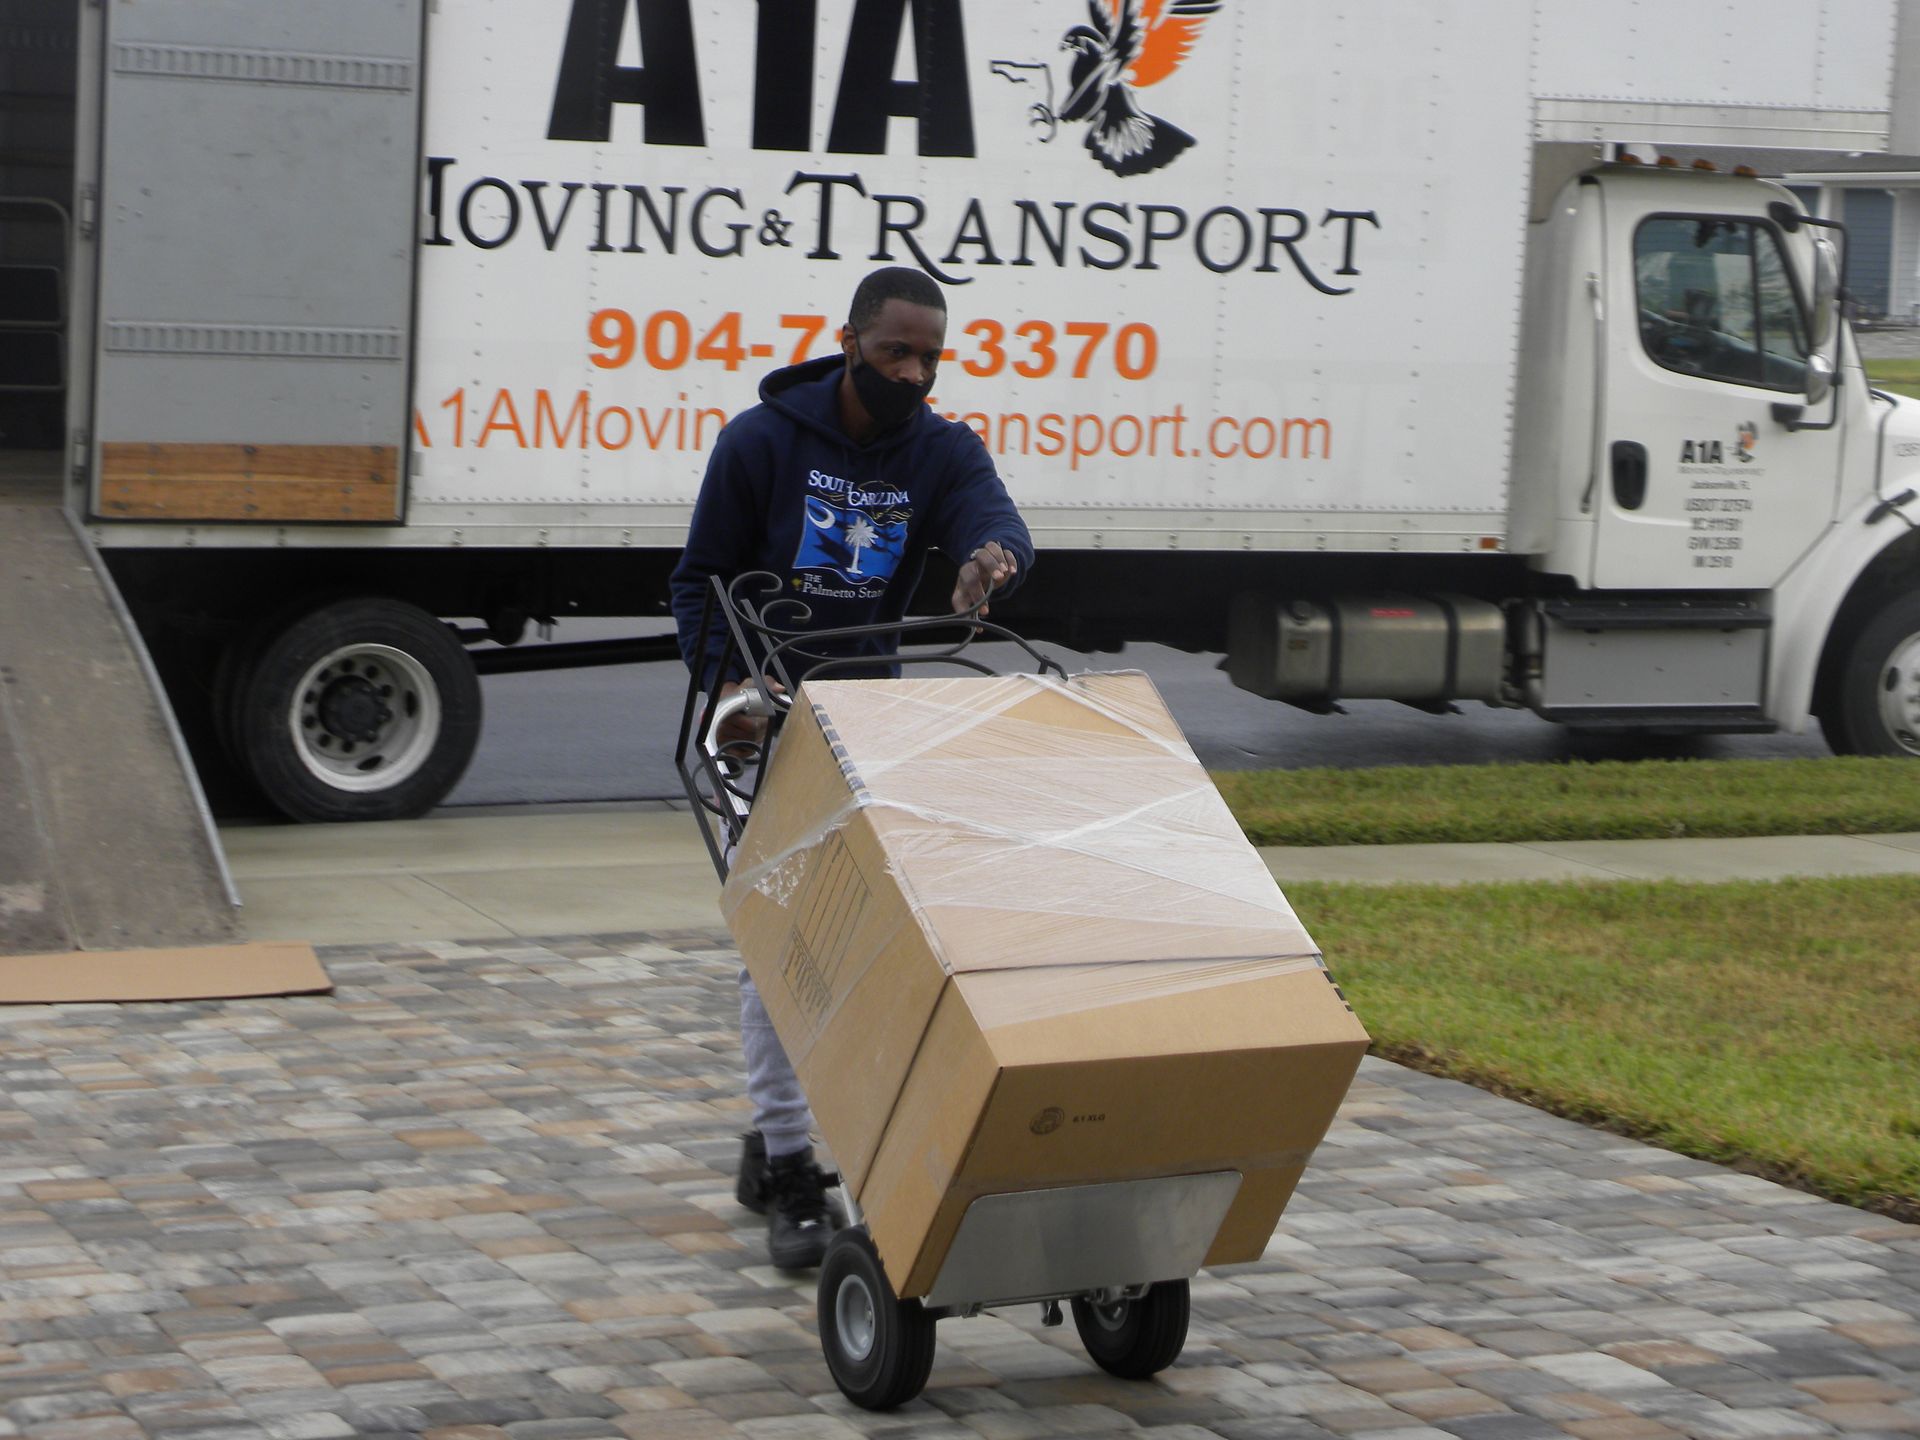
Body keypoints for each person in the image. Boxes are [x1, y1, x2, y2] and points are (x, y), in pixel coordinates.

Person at [669, 266, 1034, 1269]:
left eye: (929, 359)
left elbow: (997, 525)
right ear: (849, 342)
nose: (913, 375)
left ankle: (769, 1131)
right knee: (784, 943)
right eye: (893, 355)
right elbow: (697, 580)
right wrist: (735, 691)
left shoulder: (940, 449)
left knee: (866, 941)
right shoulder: (762, 441)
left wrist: (990, 560)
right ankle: (792, 1167)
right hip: (767, 717)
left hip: (870, 720)